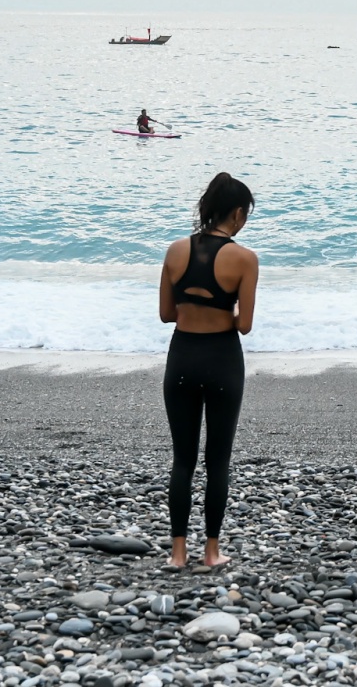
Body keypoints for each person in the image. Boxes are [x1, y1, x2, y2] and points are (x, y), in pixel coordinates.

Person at [157, 172, 259, 570]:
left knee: (183, 460)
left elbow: (167, 314)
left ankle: (177, 554)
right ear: (236, 213)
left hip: (182, 357)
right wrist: (222, 310)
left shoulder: (174, 250)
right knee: (218, 460)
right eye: (245, 214)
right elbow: (245, 324)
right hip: (222, 361)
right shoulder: (245, 258)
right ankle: (211, 552)